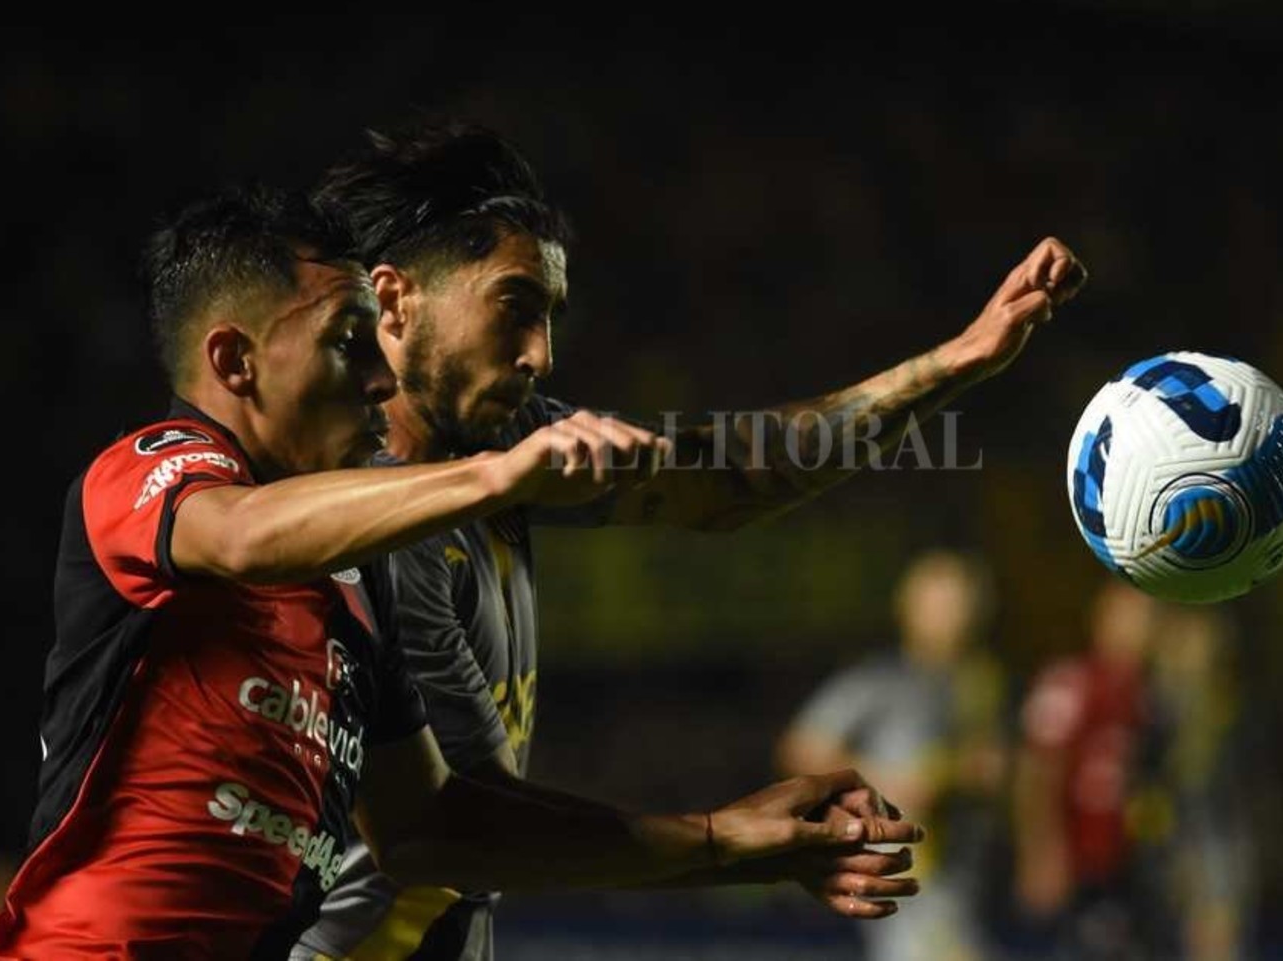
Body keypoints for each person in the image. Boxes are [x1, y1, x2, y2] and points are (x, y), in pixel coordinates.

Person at [0, 186, 924, 960]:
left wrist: (728, 843)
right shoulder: (149, 469)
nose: (381, 381)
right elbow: (236, 537)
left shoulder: (351, 591)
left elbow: (435, 828)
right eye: (349, 343)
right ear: (234, 361)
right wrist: (498, 473)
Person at [292, 122, 1090, 959]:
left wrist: (953, 363)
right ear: (392, 302)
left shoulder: (499, 443)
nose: (542, 355)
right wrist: (723, 840)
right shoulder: (370, 523)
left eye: (552, 318)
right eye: (515, 307)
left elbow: (729, 474)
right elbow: (443, 827)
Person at [777, 550, 1010, 961]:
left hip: (978, 878)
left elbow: (1007, 768)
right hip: (911, 882)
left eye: (959, 604)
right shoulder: (879, 681)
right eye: (938, 604)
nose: (951, 617)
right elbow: (801, 747)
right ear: (907, 608)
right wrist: (884, 779)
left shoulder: (987, 685)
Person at [1014, 580, 1162, 960]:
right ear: (1102, 620)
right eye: (1130, 617)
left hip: (1122, 860)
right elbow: (1038, 768)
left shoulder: (1147, 694)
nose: (1139, 629)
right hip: (1075, 856)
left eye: (1148, 618)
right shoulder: (1072, 682)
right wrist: (1043, 850)